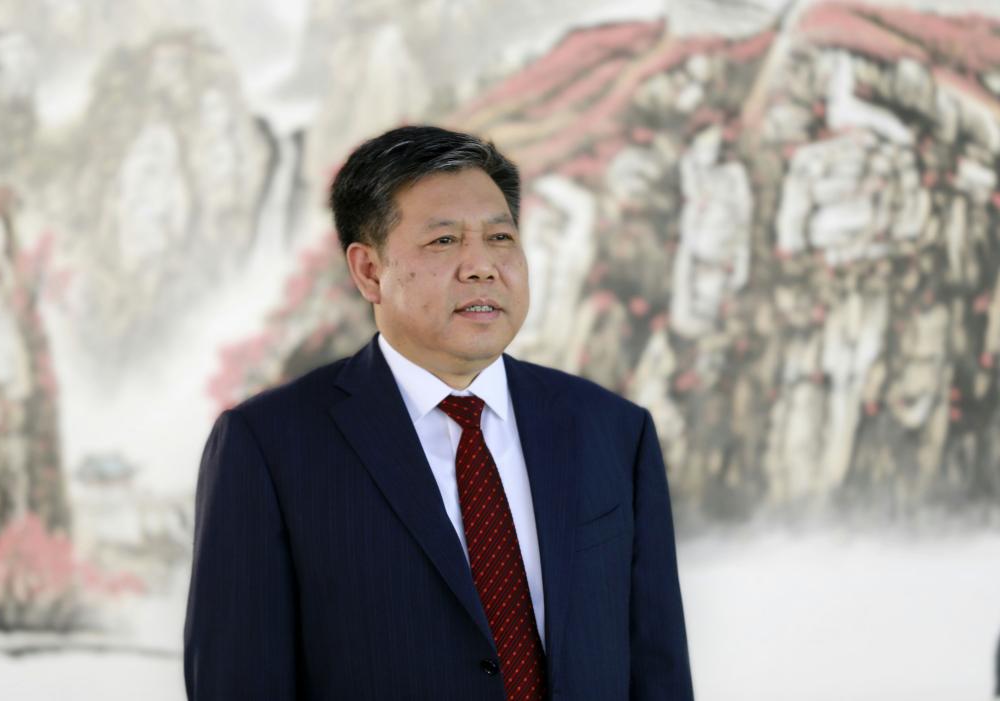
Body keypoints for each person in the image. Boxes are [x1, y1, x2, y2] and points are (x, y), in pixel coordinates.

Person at [183, 125, 693, 700]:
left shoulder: (613, 430)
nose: (482, 267)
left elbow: (659, 670)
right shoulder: (269, 445)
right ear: (368, 271)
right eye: (444, 241)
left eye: (500, 238)